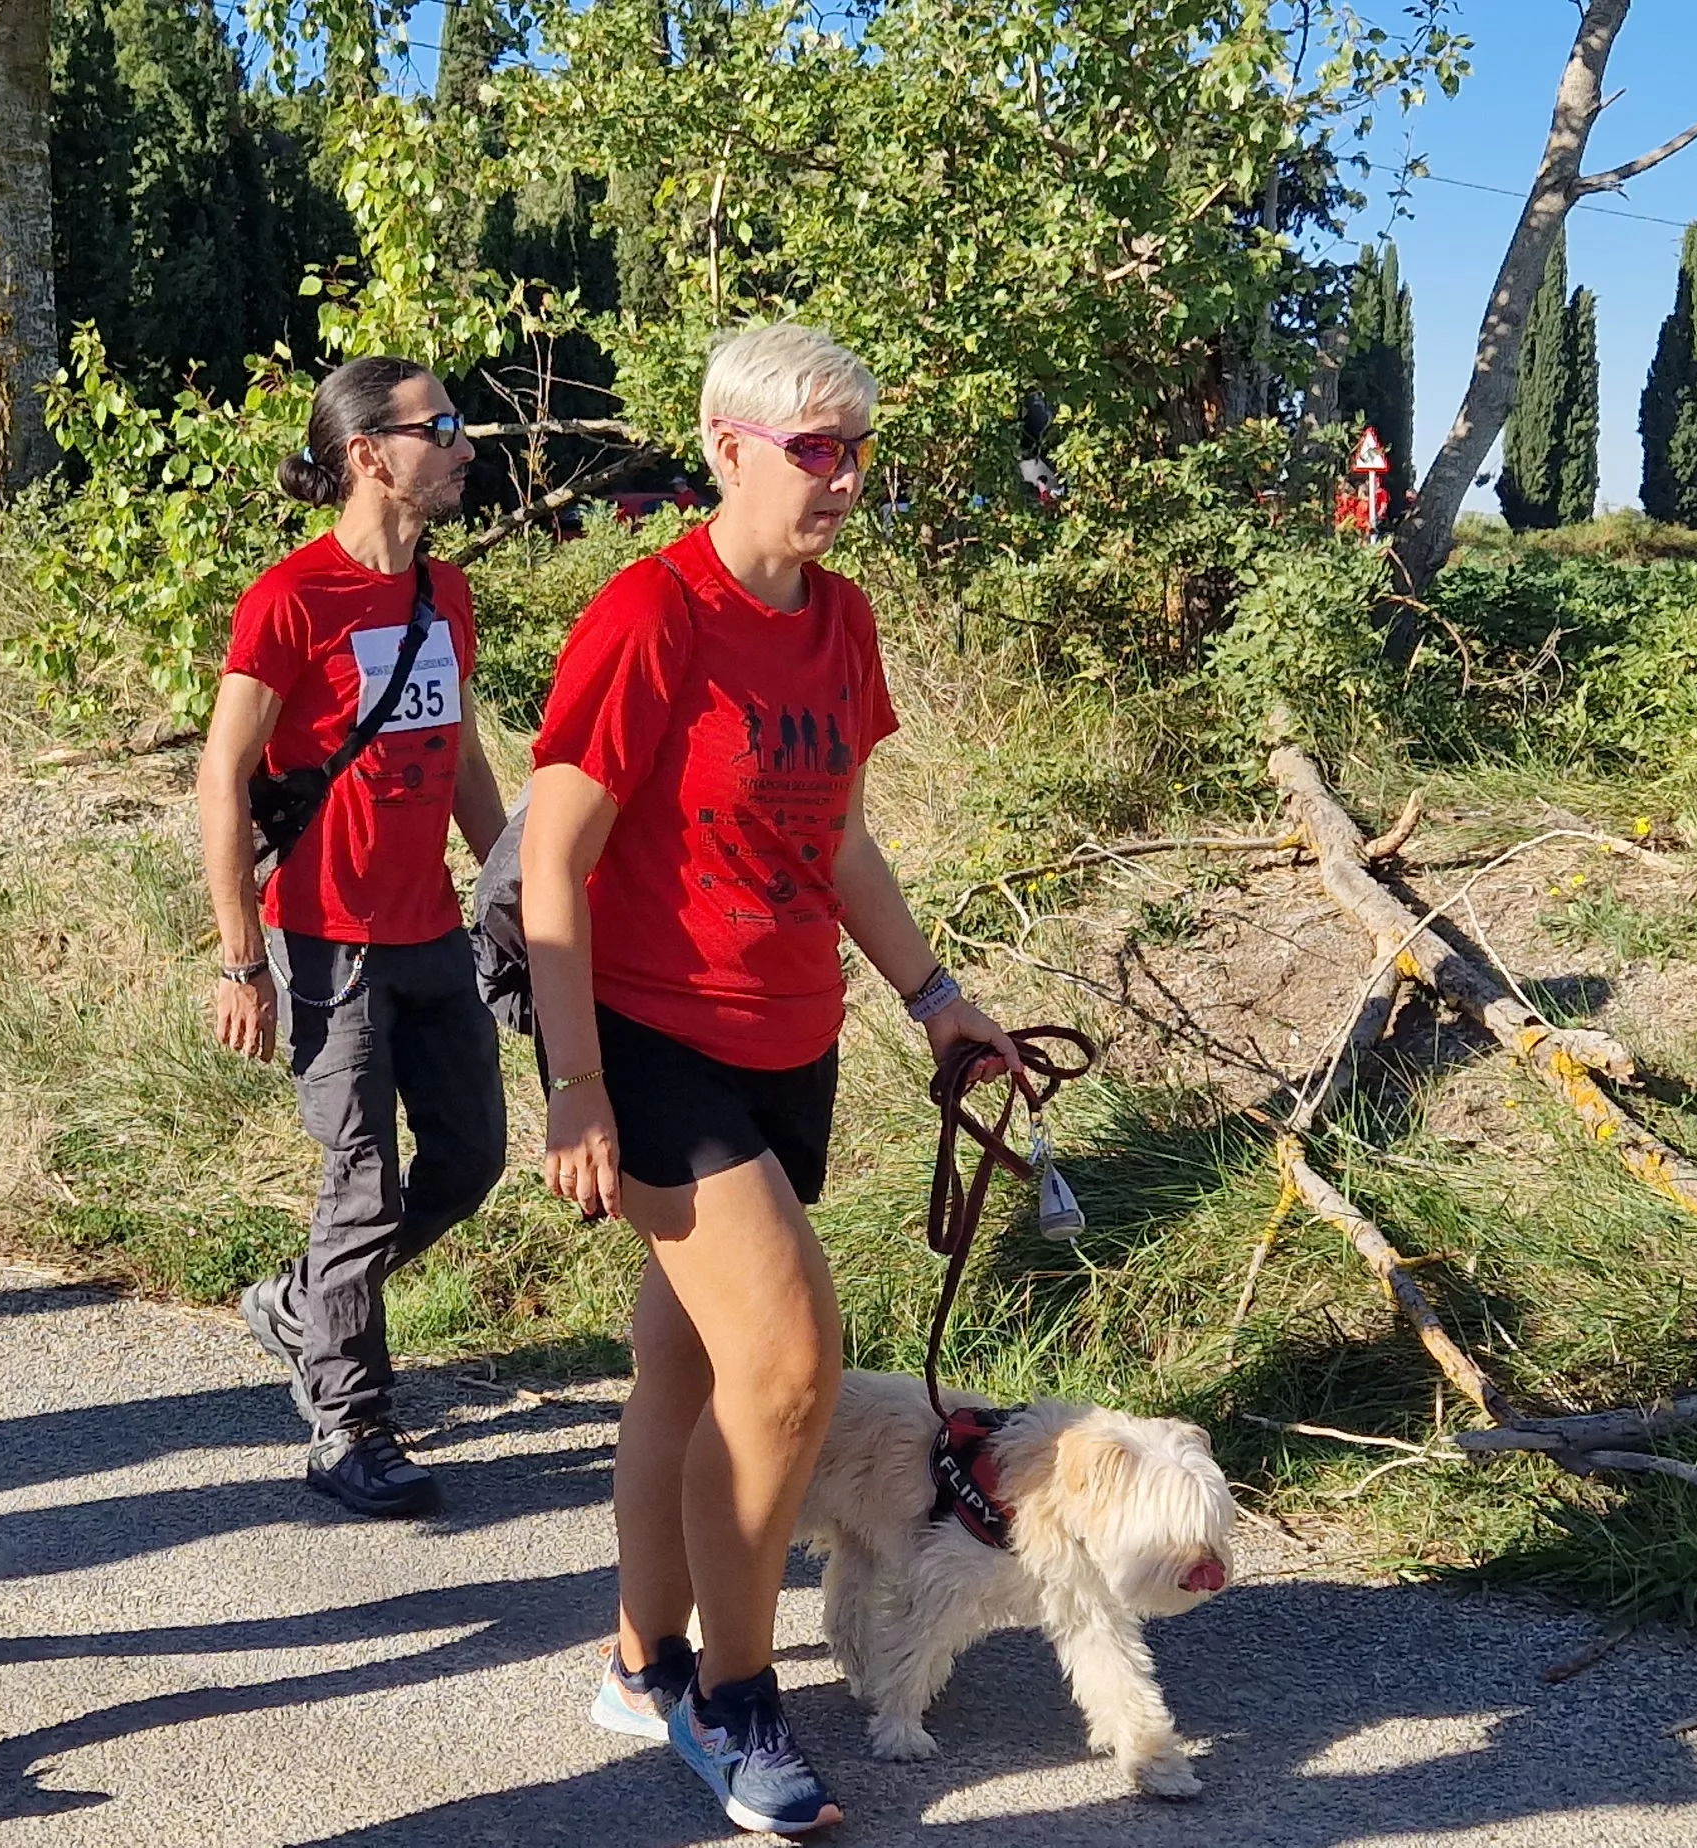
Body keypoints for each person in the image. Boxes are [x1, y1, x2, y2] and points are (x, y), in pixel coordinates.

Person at [521, 324, 1017, 1839]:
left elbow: (839, 836)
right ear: (726, 447)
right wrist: (576, 1081)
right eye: (816, 449)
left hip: (790, 1038)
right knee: (793, 1364)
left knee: (689, 1367)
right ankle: (731, 1698)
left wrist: (933, 996)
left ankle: (635, 1656)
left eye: (858, 447)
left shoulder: (841, 623)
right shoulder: (651, 615)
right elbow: (553, 855)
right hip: (657, 1042)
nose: (845, 476)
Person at [195, 357, 509, 1518]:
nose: (466, 447)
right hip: (324, 941)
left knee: (470, 1160)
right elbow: (222, 778)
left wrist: (513, 894)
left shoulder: (447, 593)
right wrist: (239, 958)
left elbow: (465, 759)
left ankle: (300, 1302)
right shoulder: (290, 599)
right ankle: (346, 1424)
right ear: (370, 452)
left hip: (431, 929)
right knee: (361, 1182)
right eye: (444, 428)